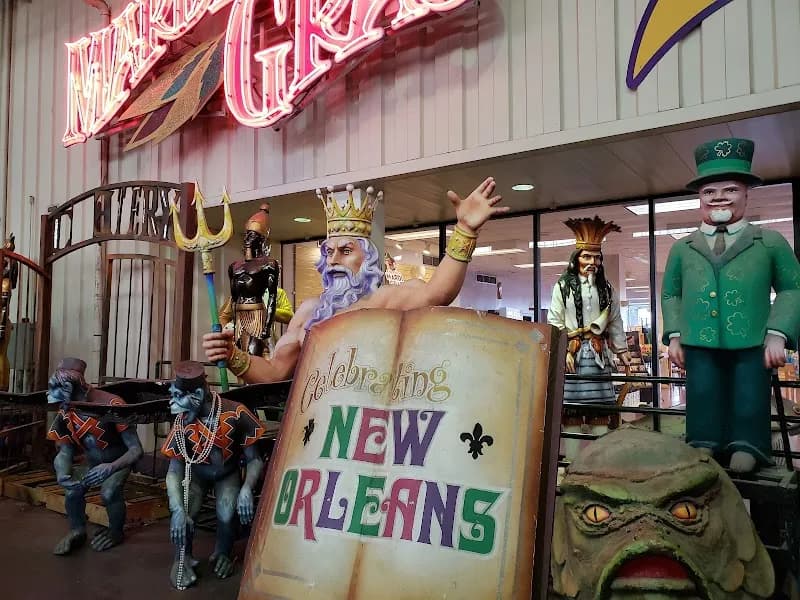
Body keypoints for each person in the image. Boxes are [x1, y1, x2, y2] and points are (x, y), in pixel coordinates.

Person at [203, 178, 508, 382]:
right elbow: (274, 371)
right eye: (329, 252)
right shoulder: (309, 312)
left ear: (369, 258)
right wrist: (232, 355)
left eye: (346, 251)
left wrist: (465, 230)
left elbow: (438, 292)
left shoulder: (383, 300)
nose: (333, 259)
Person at [661, 137, 800, 473]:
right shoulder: (682, 248)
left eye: (730, 189)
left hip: (752, 339)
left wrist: (778, 333)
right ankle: (702, 440)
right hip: (699, 339)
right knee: (703, 392)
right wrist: (675, 334)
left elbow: (792, 288)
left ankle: (749, 445)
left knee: (749, 394)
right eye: (709, 191)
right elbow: (670, 294)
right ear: (699, 198)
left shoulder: (769, 242)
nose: (719, 197)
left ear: (746, 193)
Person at [161, 361, 267, 588]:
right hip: (196, 473)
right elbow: (174, 471)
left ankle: (224, 553)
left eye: (178, 396)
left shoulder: (236, 413)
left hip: (227, 473)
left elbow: (255, 459)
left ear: (199, 395)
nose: (172, 403)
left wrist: (247, 488)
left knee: (227, 512)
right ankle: (181, 559)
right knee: (185, 513)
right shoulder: (182, 422)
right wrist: (177, 509)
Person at [547, 217, 631, 456]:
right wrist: (563, 350)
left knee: (600, 412)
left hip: (598, 356)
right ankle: (573, 464)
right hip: (572, 356)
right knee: (571, 413)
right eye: (587, 257)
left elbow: (615, 321)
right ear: (576, 259)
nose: (592, 262)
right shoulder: (562, 287)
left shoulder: (607, 289)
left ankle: (598, 464)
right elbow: (554, 321)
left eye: (596, 258)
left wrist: (622, 351)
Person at [46, 357, 144, 555]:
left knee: (109, 492)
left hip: (118, 462)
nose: (52, 396)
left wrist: (110, 467)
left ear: (71, 388)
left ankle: (116, 532)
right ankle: (77, 530)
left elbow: (136, 450)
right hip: (92, 464)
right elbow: (64, 451)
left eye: (57, 389)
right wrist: (62, 473)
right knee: (72, 491)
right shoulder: (66, 409)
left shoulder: (112, 404)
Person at [219, 203, 280, 359]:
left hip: (256, 314)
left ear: (261, 239)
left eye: (252, 235)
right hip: (239, 316)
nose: (247, 239)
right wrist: (232, 323)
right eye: (246, 234)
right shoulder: (234, 267)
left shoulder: (268, 265)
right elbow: (234, 299)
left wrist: (267, 326)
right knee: (239, 358)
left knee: (253, 357)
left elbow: (272, 298)